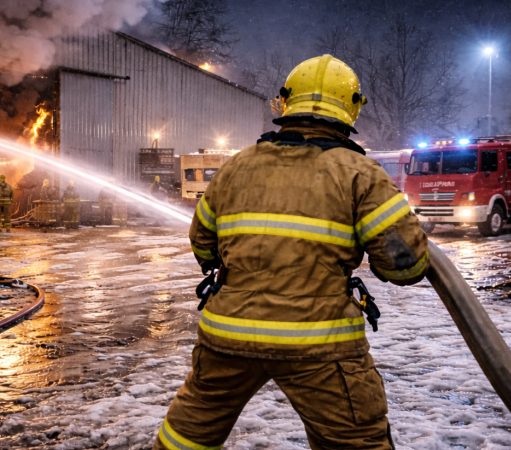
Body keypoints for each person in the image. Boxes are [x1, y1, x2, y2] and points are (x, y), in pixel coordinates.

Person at [154, 55, 428, 450]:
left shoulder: (237, 167)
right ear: (352, 105)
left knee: (187, 434)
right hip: (320, 343)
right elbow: (405, 266)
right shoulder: (360, 174)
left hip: (229, 337)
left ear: (285, 102)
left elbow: (202, 242)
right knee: (355, 439)